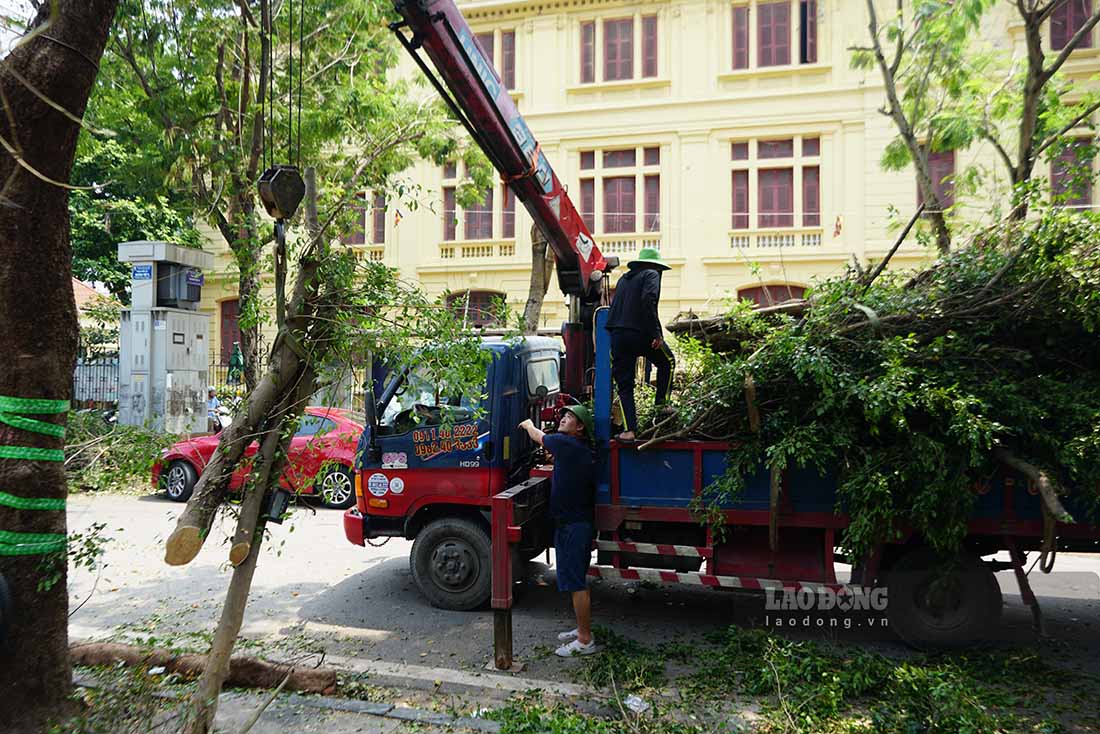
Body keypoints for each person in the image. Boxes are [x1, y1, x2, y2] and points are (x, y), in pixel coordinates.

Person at [519, 405, 598, 656]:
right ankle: (581, 629)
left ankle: (585, 641)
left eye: (569, 417)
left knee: (575, 583)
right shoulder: (576, 449)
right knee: (575, 580)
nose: (563, 419)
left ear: (580, 427)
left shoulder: (568, 444)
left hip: (573, 526)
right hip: (573, 523)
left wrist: (528, 424)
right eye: (563, 416)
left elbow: (538, 436)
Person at [605, 247, 674, 441]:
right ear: (656, 266)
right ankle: (662, 406)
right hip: (640, 333)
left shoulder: (623, 280)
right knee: (667, 361)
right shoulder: (651, 274)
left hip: (618, 336)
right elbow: (648, 300)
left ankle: (629, 431)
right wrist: (656, 333)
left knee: (625, 385)